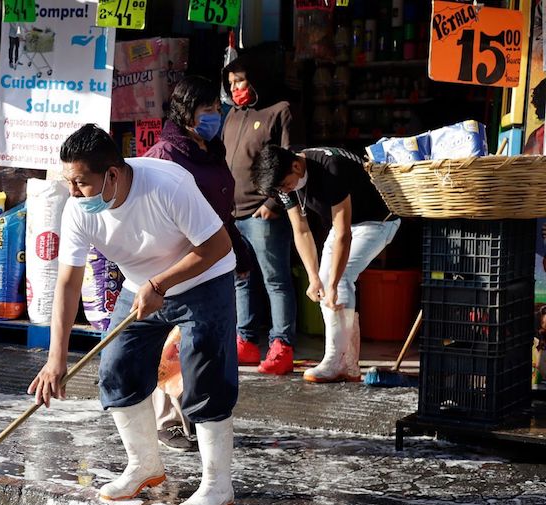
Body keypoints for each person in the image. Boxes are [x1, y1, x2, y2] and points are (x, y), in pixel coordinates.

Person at [28, 124, 238, 505]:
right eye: (67, 182)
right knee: (117, 366)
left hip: (203, 278)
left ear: (112, 174)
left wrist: (161, 283)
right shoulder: (77, 210)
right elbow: (69, 283)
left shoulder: (167, 184)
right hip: (141, 285)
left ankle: (217, 485)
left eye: (81, 183)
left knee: (205, 369)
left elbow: (217, 246)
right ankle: (144, 466)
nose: (72, 193)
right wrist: (56, 360)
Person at [143, 75, 252, 451]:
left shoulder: (210, 148)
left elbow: (221, 212)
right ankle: (168, 420)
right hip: (177, 263)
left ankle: (196, 417)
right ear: (186, 112)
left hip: (213, 260)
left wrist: (235, 247)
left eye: (217, 109)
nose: (215, 116)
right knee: (172, 346)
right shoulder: (164, 155)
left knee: (203, 348)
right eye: (208, 110)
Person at [252, 145, 401, 383]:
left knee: (339, 279)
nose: (285, 191)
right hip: (346, 224)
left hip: (377, 221)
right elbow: (301, 231)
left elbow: (344, 234)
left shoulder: (331, 167)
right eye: (280, 189)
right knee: (324, 281)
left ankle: (336, 360)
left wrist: (332, 285)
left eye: (285, 185)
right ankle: (349, 364)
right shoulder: (285, 180)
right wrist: (314, 278)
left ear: (297, 166)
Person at [222, 55, 298, 375]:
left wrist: (273, 203)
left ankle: (282, 344)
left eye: (240, 81)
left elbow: (291, 160)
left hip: (263, 212)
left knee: (275, 279)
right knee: (241, 279)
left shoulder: (280, 110)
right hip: (233, 213)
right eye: (231, 84)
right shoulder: (233, 116)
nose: (236, 89)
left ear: (256, 78)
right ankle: (246, 341)